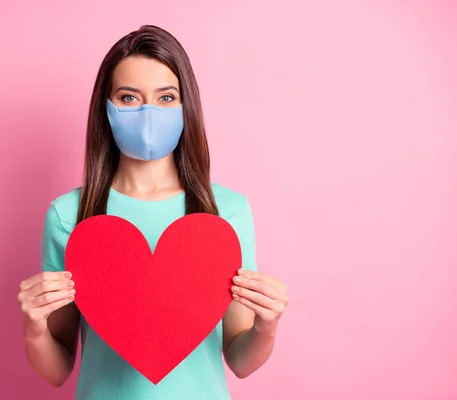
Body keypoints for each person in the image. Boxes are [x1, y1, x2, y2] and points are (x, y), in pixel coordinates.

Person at [17, 25, 289, 399]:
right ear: (106, 109)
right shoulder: (69, 216)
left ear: (185, 106)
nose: (148, 113)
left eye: (165, 97)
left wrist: (266, 326)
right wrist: (34, 329)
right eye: (129, 98)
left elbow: (240, 360)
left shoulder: (226, 212)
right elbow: (58, 369)